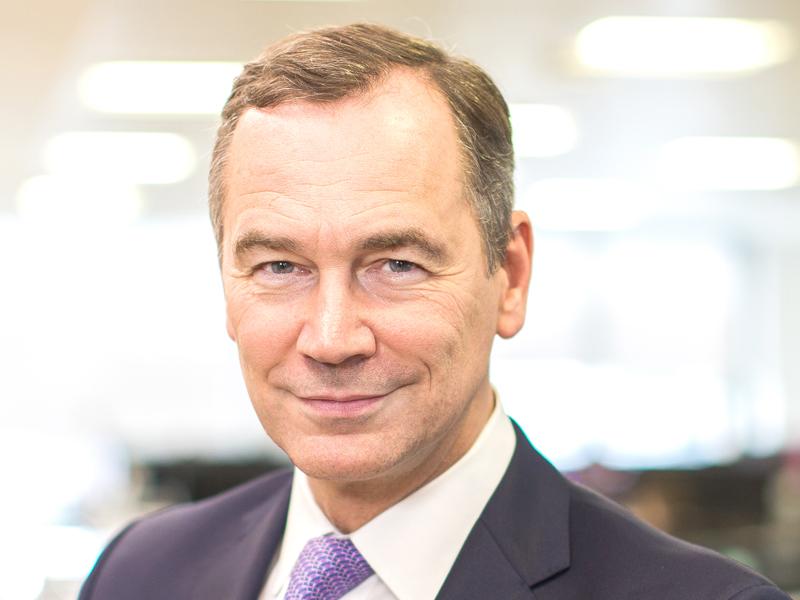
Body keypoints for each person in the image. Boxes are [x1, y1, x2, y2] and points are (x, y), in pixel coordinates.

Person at [78, 23, 790, 600]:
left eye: (397, 265)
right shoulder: (140, 573)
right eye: (279, 267)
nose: (331, 338)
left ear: (510, 276)